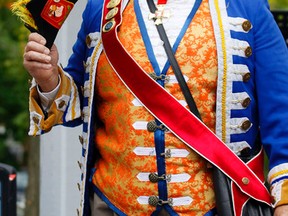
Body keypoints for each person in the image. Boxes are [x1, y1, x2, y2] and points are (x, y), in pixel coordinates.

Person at [22, 0, 288, 215]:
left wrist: (284, 201)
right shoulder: (100, 10)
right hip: (114, 204)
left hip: (217, 206)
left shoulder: (247, 7)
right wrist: (49, 79)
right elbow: (80, 103)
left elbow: (281, 113)